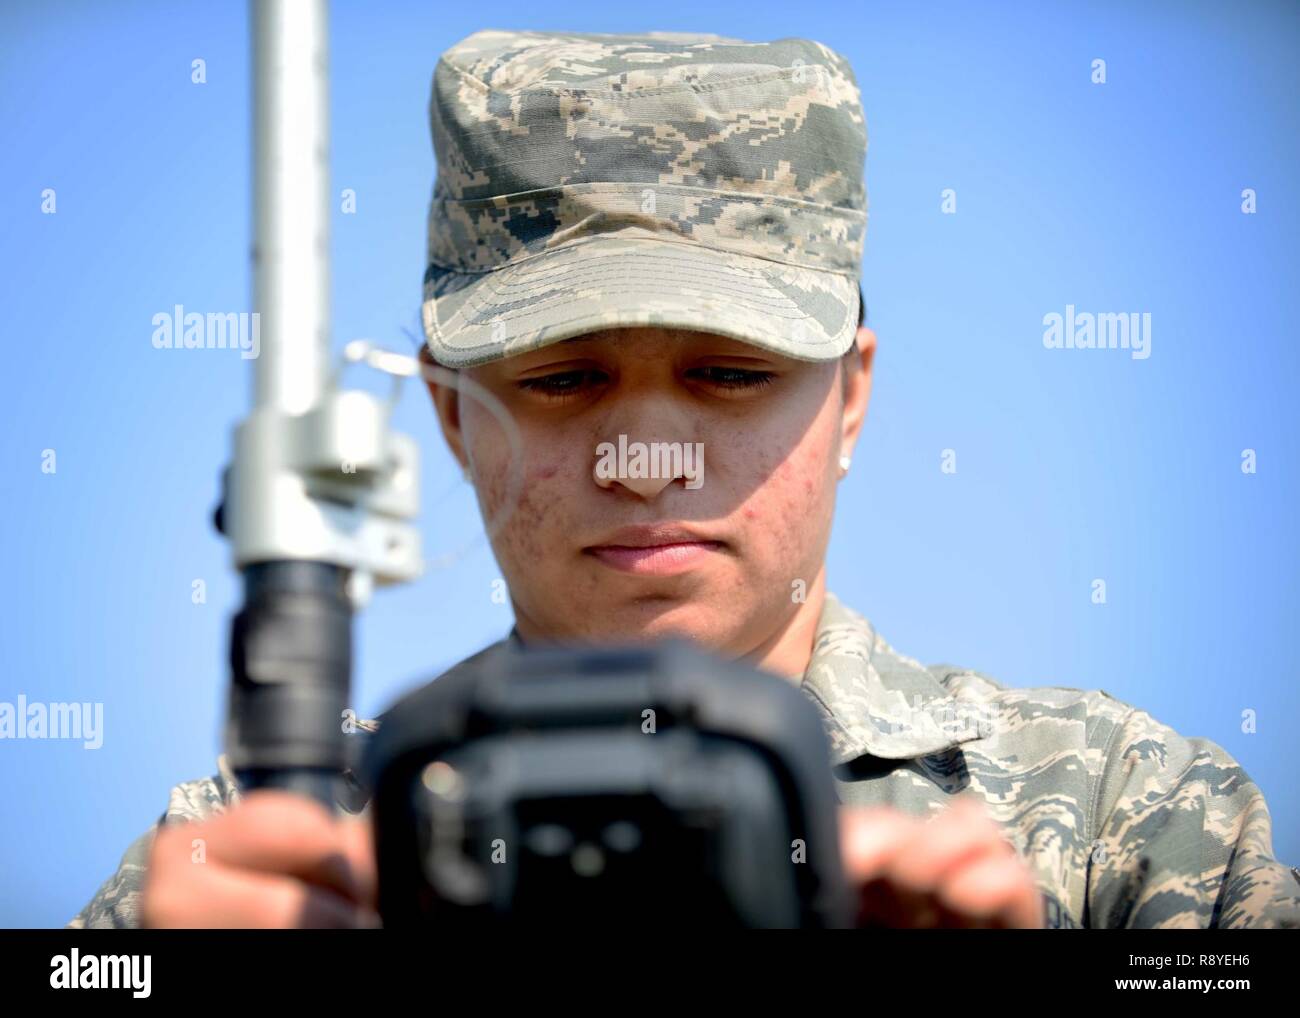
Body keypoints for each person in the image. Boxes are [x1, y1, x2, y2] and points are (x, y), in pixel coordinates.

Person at [69, 28, 1300, 930]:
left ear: (850, 397)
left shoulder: (1126, 830)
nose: (644, 458)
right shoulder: (264, 859)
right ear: (449, 414)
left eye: (726, 372)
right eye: (561, 380)